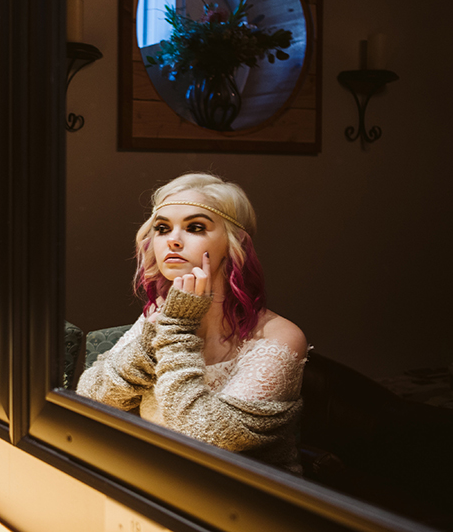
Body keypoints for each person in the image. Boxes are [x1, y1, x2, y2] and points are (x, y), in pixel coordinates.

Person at [77, 172, 308, 473]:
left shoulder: (279, 338)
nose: (173, 240)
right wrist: (156, 338)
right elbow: (90, 396)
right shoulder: (161, 314)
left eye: (195, 227)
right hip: (151, 485)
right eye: (162, 228)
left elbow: (203, 437)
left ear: (234, 240)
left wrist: (176, 330)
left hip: (237, 503)